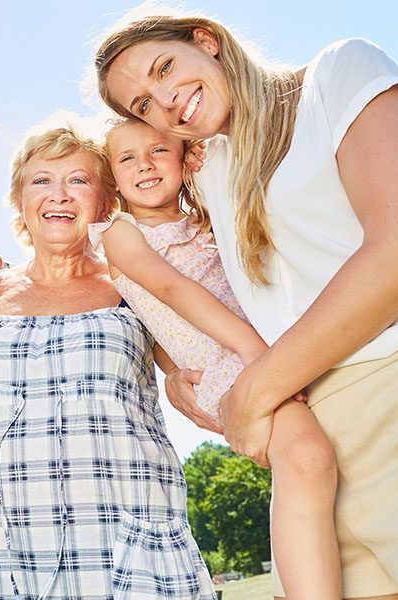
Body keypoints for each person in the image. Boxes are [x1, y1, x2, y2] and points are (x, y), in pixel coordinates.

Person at [95, 10, 398, 599]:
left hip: (380, 387)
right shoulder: (209, 168)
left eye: (165, 68)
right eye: (141, 107)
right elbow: (166, 284)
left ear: (205, 41)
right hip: (301, 421)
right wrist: (171, 369)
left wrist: (254, 389)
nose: (164, 102)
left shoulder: (337, 75)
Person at [0, 125, 214, 599]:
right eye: (41, 181)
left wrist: (179, 379)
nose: (59, 196)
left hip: (126, 541)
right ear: (19, 199)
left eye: (78, 180)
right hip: (6, 550)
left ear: (105, 202)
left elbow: (182, 360)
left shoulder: (131, 282)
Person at [90, 117, 339, 598]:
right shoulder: (120, 234)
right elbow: (171, 289)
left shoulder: (204, 215)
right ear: (112, 178)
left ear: (184, 158)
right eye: (127, 158)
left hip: (278, 346)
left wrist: (204, 170)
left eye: (159, 151)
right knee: (306, 459)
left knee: (305, 468)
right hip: (233, 365)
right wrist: (251, 349)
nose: (145, 164)